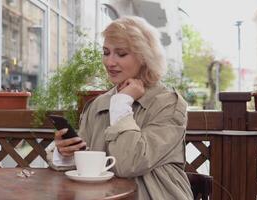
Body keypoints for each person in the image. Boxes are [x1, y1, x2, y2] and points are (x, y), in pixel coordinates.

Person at [48, 16, 194, 200]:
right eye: (106, 52)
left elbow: (128, 164)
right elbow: (87, 164)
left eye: (121, 54)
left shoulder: (168, 104)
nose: (109, 62)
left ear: (144, 57)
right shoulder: (98, 105)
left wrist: (121, 103)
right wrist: (65, 153)